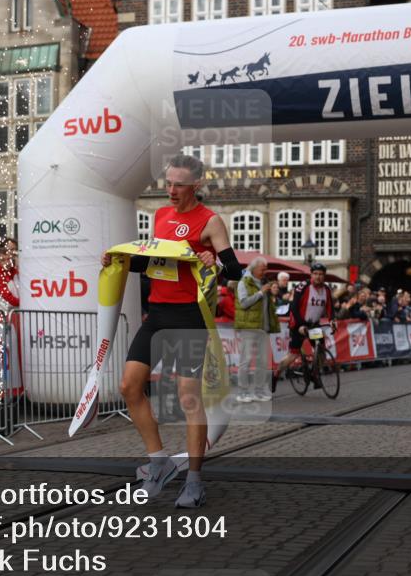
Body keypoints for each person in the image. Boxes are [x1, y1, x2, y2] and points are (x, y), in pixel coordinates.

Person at [99, 153, 242, 508]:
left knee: (188, 398)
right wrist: (119, 261)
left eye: (179, 184)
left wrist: (216, 262)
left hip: (190, 318)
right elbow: (153, 264)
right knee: (129, 386)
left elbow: (236, 270)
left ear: (197, 185)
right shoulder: (161, 216)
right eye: (168, 183)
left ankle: (194, 481)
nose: (171, 190)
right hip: (158, 315)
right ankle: (159, 462)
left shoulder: (210, 221)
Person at [272, 263, 336, 391]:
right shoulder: (303, 286)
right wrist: (300, 325)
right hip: (298, 324)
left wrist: (332, 320)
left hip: (313, 326)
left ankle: (314, 374)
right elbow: (294, 308)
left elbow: (330, 307)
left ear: (324, 276)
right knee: (293, 355)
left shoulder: (327, 289)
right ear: (311, 274)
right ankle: (275, 375)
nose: (318, 277)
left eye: (321, 274)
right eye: (315, 274)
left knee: (321, 352)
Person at [234, 257, 279, 403]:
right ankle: (242, 392)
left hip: (263, 328)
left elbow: (266, 308)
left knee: (262, 361)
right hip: (249, 327)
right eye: (262, 269)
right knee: (245, 360)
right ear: (253, 269)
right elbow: (244, 303)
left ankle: (259, 391)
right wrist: (260, 293)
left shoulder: (264, 282)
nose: (265, 272)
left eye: (265, 269)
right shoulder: (244, 282)